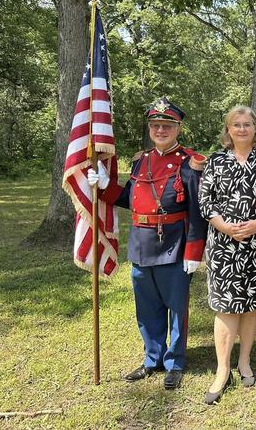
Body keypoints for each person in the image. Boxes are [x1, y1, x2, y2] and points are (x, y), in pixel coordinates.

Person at [87, 97, 208, 390]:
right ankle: (152, 358)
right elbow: (131, 198)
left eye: (166, 126)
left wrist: (194, 251)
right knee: (147, 308)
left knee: (176, 308)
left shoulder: (189, 163)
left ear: (177, 128)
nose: (160, 130)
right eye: (155, 125)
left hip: (174, 244)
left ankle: (175, 362)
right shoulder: (141, 160)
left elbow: (197, 210)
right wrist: (105, 186)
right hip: (141, 243)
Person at [198, 105, 256, 405]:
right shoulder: (216, 161)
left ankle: (245, 361)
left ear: (255, 128)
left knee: (251, 304)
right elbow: (205, 201)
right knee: (225, 306)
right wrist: (225, 227)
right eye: (235, 124)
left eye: (247, 124)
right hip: (224, 245)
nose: (241, 129)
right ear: (228, 129)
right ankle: (222, 369)